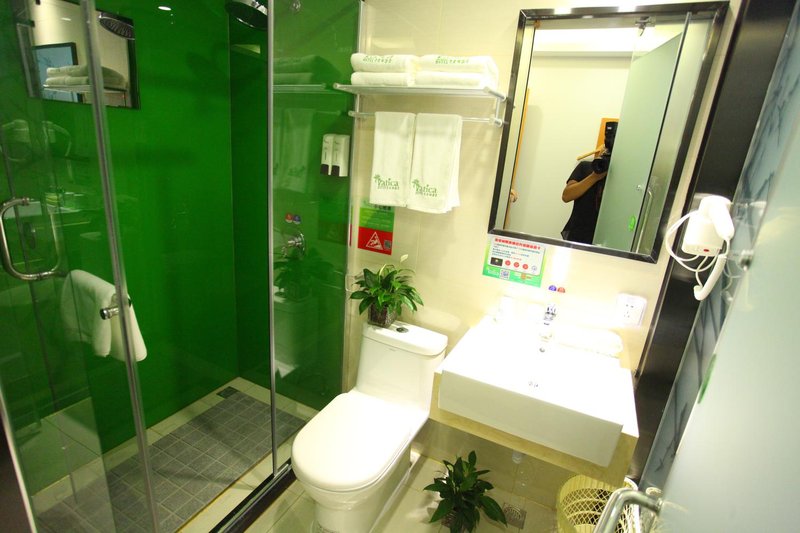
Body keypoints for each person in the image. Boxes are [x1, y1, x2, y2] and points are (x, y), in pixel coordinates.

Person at [560, 159, 607, 244]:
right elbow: (566, 196)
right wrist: (594, 177)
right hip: (579, 233)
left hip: (606, 234)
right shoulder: (587, 167)